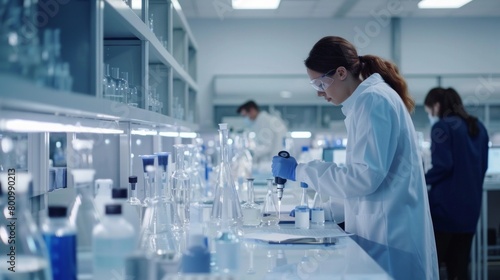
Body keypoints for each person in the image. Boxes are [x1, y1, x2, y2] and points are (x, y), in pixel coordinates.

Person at [271, 36, 439, 280]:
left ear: (341, 72)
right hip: (383, 231)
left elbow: (363, 178)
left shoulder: (374, 101)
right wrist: (326, 211)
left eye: (320, 84)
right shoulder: (366, 102)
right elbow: (368, 179)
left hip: (392, 237)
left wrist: (300, 171)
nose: (321, 94)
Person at [424, 87, 489, 280]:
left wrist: (420, 179)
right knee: (459, 270)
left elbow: (443, 165)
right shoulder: (478, 127)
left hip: (445, 210)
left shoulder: (442, 127)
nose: (430, 116)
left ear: (436, 106)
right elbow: (483, 167)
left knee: (433, 268)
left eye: (429, 111)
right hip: (470, 210)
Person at [237, 100, 288, 172]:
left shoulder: (264, 121)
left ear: (252, 110)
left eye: (245, 115)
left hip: (272, 163)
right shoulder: (265, 120)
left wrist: (250, 152)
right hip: (276, 162)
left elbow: (267, 146)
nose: (245, 119)